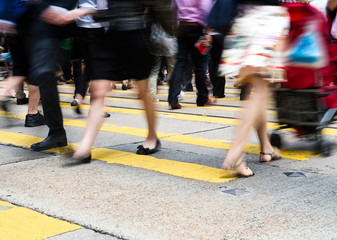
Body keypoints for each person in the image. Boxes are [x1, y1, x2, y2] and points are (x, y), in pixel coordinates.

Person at [71, 0, 171, 162]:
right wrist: (87, 11)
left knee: (142, 93)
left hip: (138, 36)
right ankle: (85, 146)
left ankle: (152, 137)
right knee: (98, 90)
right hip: (111, 37)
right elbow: (108, 11)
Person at [219, 0, 289, 176]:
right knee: (261, 90)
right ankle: (236, 151)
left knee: (256, 86)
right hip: (267, 19)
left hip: (245, 17)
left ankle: (266, 148)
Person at [168, 0, 216, 109]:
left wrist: (175, 25)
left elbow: (173, 8)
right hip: (197, 28)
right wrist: (208, 31)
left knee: (179, 63)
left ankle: (173, 98)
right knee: (200, 65)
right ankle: (202, 98)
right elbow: (206, 8)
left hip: (182, 27)